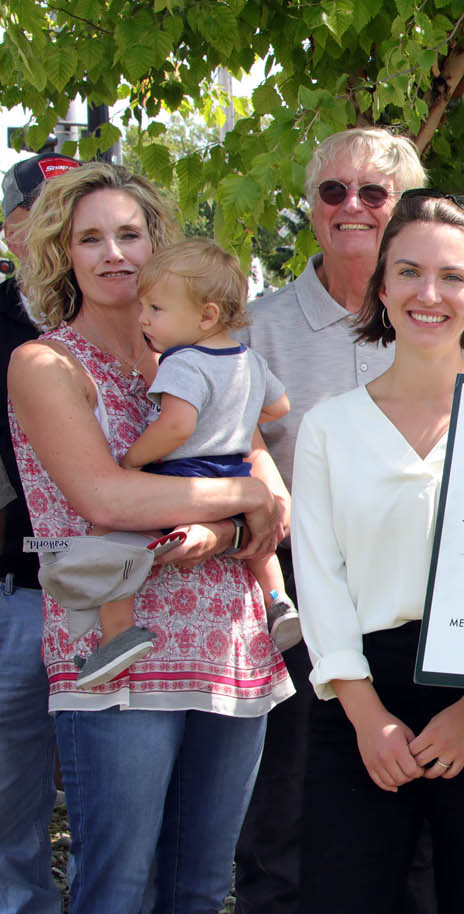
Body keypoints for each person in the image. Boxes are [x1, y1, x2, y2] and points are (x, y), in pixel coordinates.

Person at [7, 161, 292, 913]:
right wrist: (243, 496)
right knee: (120, 888)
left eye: (130, 234)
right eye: (90, 238)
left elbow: (273, 503)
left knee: (200, 886)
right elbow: (105, 497)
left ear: (156, 244)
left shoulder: (207, 359)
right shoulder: (46, 363)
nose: (114, 254)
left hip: (227, 642)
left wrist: (235, 518)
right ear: (61, 253)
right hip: (118, 652)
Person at [292, 189, 464, 913]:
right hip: (360, 697)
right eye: (408, 272)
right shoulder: (330, 426)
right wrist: (366, 716)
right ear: (381, 285)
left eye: (452, 277)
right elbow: (320, 579)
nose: (427, 294)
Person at [233, 126, 426, 914]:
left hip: (412, 605)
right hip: (290, 604)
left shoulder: (442, 320)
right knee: (282, 814)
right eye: (333, 191)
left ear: (403, 207)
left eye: (374, 192)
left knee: (411, 815)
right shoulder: (256, 327)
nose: (353, 206)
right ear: (312, 206)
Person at [63, 239, 297, 688]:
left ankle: (118, 634)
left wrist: (133, 459)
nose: (143, 317)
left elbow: (175, 427)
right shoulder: (248, 360)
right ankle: (278, 601)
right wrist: (235, 414)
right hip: (235, 473)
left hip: (187, 476)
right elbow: (279, 406)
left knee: (107, 540)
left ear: (206, 316)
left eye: (156, 308)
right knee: (260, 548)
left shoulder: (183, 362)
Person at [0, 151, 78, 914]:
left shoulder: (148, 322)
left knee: (118, 802)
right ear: (12, 230)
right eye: (51, 212)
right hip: (18, 591)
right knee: (10, 796)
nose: (67, 229)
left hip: (125, 591)